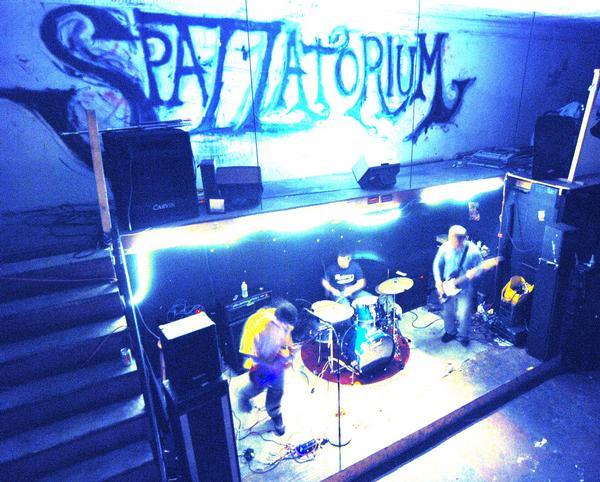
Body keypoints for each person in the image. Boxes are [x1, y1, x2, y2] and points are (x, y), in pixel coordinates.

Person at [237, 300, 298, 436]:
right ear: (278, 318)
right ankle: (244, 395)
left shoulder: (285, 321)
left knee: (277, 390)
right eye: (285, 325)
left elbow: (287, 334)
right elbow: (249, 353)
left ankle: (275, 414)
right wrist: (268, 365)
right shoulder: (256, 324)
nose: (287, 328)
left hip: (276, 359)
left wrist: (290, 347)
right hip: (260, 363)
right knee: (258, 387)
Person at [433, 225, 483, 347]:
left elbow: (481, 267)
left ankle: (463, 336)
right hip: (449, 285)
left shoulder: (473, 251)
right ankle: (450, 332)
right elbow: (437, 264)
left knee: (464, 313)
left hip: (465, 288)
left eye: (458, 241)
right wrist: (438, 281)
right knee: (448, 311)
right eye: (452, 240)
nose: (455, 244)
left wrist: (475, 273)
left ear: (464, 239)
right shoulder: (445, 247)